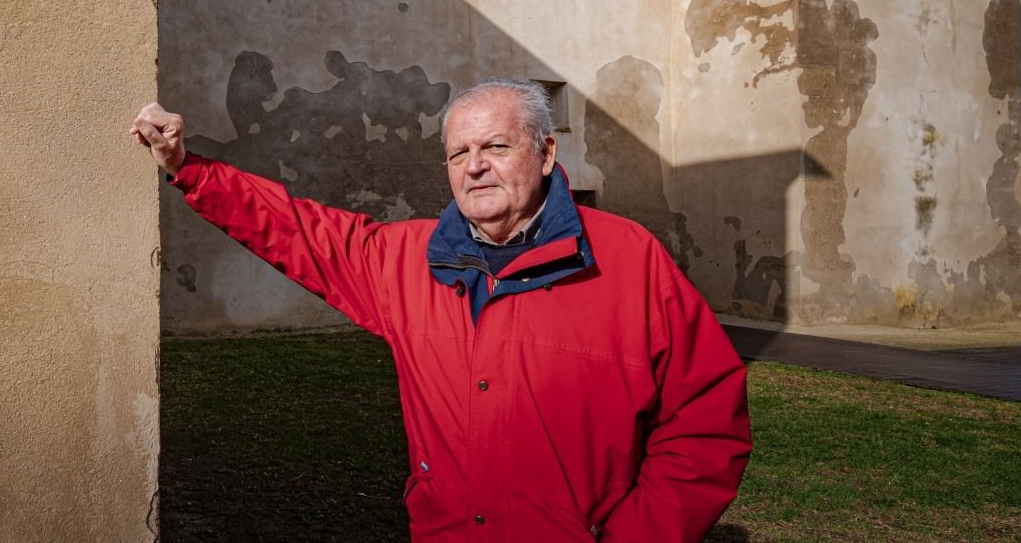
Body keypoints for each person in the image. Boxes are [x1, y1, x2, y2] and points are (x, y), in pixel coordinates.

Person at [133, 79, 750, 542]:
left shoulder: (627, 259)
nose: (475, 165)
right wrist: (190, 169)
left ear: (546, 153)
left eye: (496, 146)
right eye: (458, 154)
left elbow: (706, 421)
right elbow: (300, 231)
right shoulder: (408, 259)